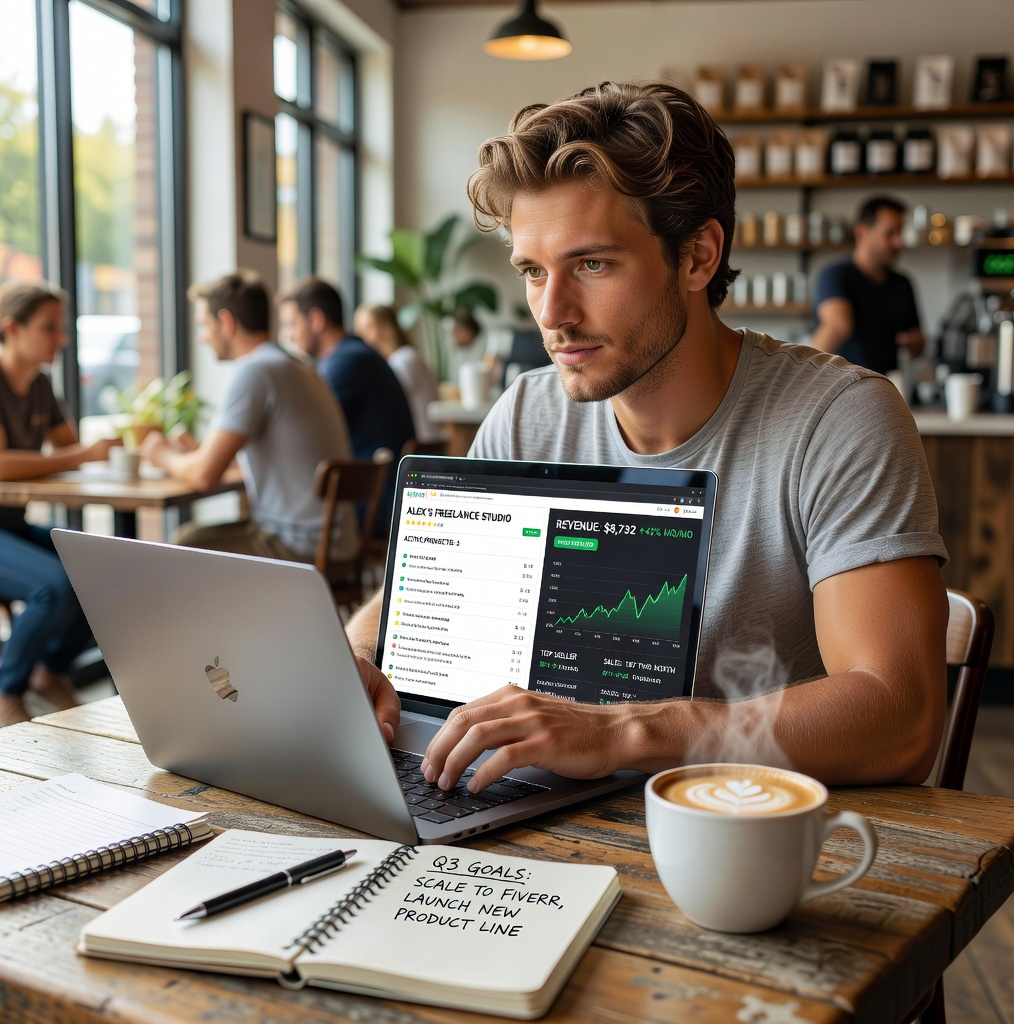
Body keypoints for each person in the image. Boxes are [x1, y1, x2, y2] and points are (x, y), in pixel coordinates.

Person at [346, 81, 949, 793]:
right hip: (525, 810)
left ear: (698, 257)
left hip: (736, 840)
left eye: (592, 265)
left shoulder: (840, 417)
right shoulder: (527, 412)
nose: (553, 313)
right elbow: (419, 609)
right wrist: (354, 664)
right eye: (534, 272)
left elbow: (899, 718)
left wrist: (622, 732)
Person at [141, 270, 357, 565]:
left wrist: (158, 453)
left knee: (183, 546)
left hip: (300, 546)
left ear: (227, 322)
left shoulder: (255, 371)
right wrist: (198, 455)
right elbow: (241, 465)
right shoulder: (298, 366)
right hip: (338, 543)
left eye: (204, 325)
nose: (203, 338)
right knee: (194, 539)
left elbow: (204, 475)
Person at [0, 280, 120, 725]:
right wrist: (83, 454)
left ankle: (49, 673)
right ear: (12, 328)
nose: (61, 338)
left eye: (61, 327)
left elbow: (68, 448)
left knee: (101, 572)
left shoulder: (40, 386)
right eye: (50, 327)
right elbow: (2, 466)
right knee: (53, 586)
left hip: (10, 524)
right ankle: (6, 689)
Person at [279, 278, 415, 535]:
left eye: (292, 324)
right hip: (387, 500)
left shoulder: (345, 365)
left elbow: (301, 434)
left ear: (316, 321)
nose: (289, 335)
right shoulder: (359, 354)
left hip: (371, 509)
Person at [811, 196, 925, 375]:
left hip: (888, 389)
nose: (899, 242)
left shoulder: (903, 283)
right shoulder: (835, 275)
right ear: (862, 233)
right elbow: (837, 325)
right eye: (890, 233)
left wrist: (916, 343)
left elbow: (917, 342)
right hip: (844, 390)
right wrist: (803, 376)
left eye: (900, 233)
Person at [352, 303, 446, 443]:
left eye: (367, 328)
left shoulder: (405, 359)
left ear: (388, 328)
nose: (360, 337)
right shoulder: (406, 357)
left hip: (418, 451)